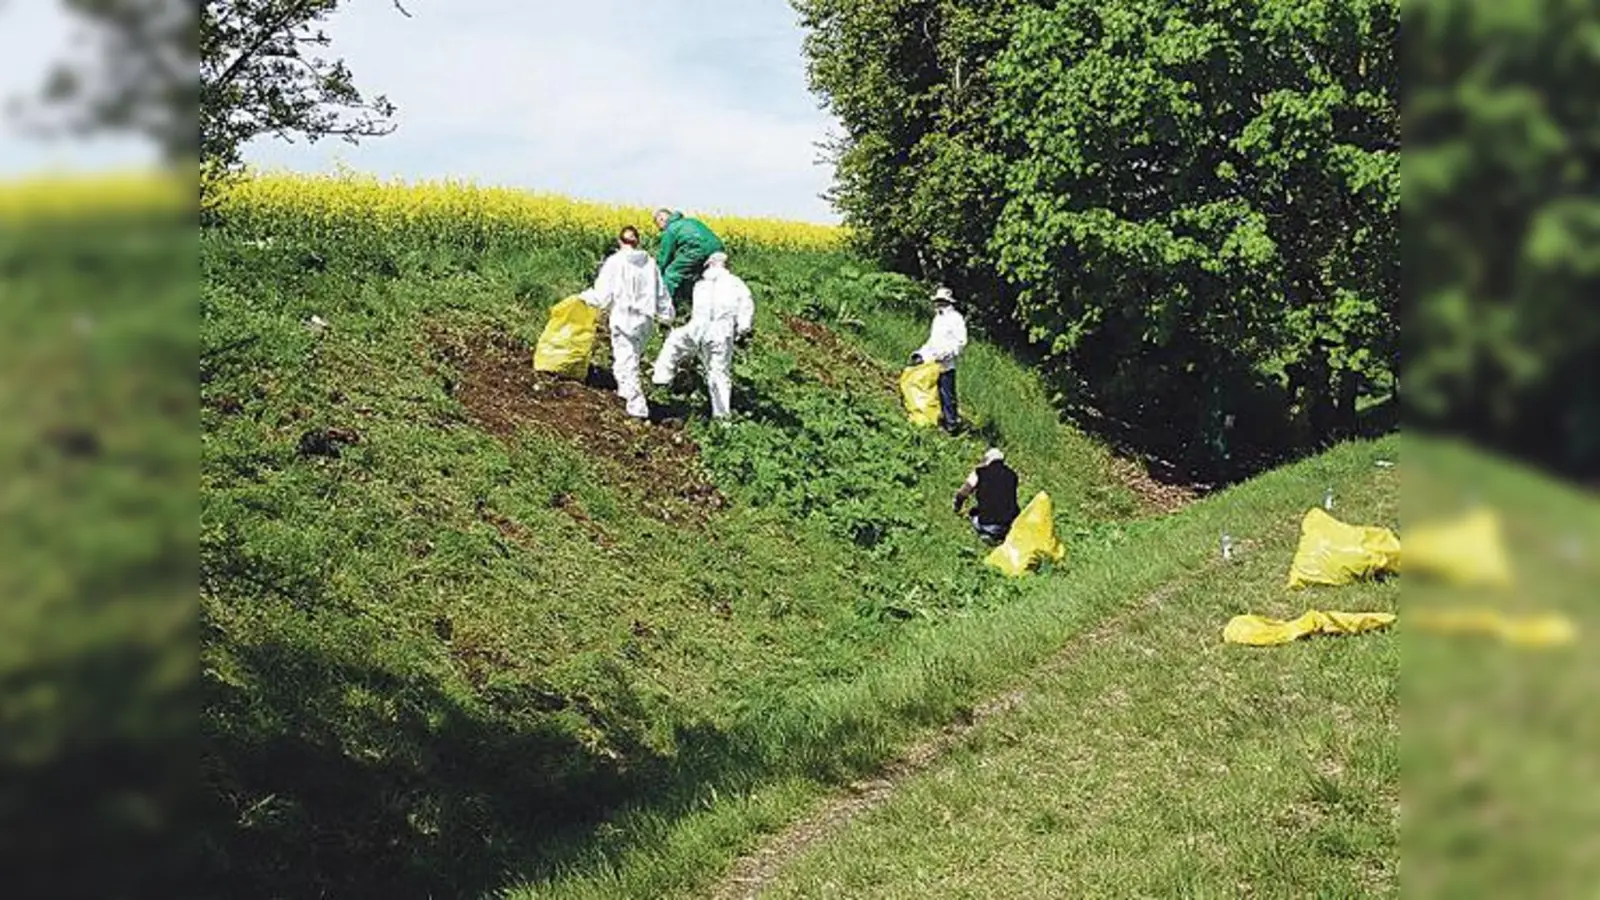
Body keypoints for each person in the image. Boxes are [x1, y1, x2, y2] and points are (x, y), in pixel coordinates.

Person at [581, 225, 675, 419]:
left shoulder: (615, 261)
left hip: (624, 318)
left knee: (625, 363)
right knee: (632, 360)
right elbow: (661, 293)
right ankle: (626, 400)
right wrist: (667, 315)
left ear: (619, 242)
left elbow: (603, 294)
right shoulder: (650, 263)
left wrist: (584, 298)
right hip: (645, 320)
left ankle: (635, 408)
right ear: (637, 241)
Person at [650, 251, 754, 419]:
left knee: (675, 341)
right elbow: (746, 306)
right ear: (727, 266)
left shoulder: (701, 285)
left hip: (697, 327)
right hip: (721, 332)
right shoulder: (737, 284)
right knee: (718, 373)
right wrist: (743, 330)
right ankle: (722, 418)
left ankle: (661, 377)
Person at [910, 286, 967, 433]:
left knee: (947, 395)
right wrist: (920, 353)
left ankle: (952, 425)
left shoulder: (956, 318)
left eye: (942, 301)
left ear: (948, 302)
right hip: (932, 363)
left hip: (946, 364)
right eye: (938, 301)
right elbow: (932, 341)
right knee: (932, 393)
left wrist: (947, 354)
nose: (939, 304)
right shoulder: (937, 319)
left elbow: (960, 342)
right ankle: (934, 419)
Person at [653, 208, 726, 304]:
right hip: (718, 248)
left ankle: (665, 307)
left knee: (671, 273)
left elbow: (664, 258)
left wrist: (656, 273)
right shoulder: (691, 220)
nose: (660, 229)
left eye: (658, 224)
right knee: (699, 275)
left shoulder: (671, 229)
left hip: (698, 250)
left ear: (661, 219)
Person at [953, 448, 1020, 542]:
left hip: (987, 523)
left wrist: (957, 507)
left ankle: (989, 535)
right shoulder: (1012, 475)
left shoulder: (979, 473)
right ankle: (1000, 534)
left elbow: (963, 492)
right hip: (1009, 524)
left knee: (973, 514)